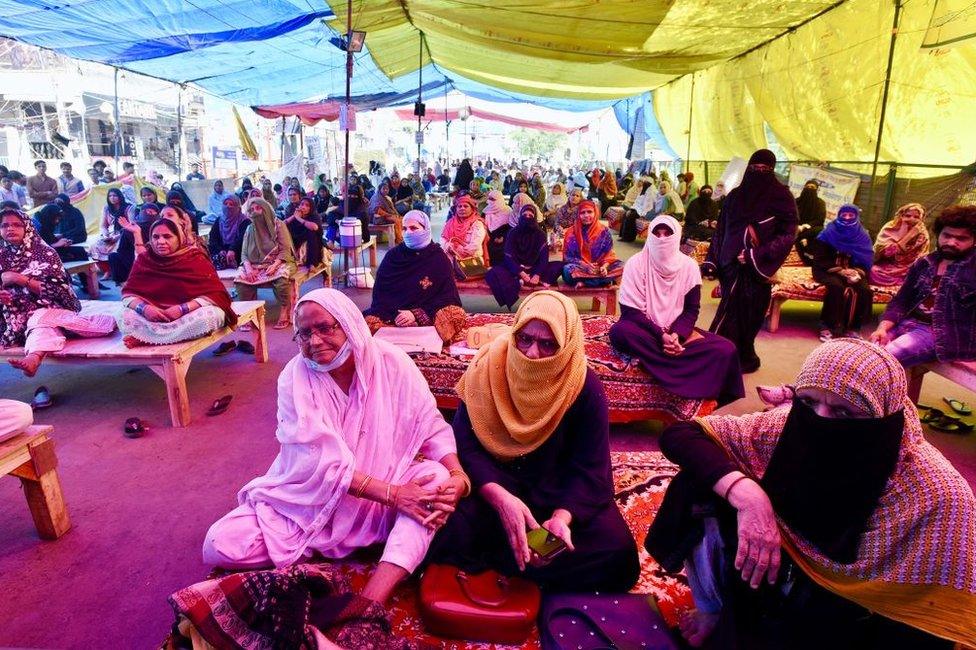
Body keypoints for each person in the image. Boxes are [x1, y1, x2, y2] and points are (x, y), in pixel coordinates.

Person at [645, 339, 976, 649]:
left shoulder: (937, 493)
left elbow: (931, 619)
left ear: (884, 416)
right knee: (701, 483)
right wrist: (749, 497)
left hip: (851, 613)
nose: (820, 420)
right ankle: (713, 609)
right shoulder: (786, 425)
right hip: (776, 571)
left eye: (845, 412)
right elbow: (683, 434)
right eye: (808, 401)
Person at [203, 289, 467, 606]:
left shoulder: (391, 362)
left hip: (384, 488)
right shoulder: (293, 378)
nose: (314, 342)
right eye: (304, 334)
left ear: (349, 324)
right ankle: (340, 543)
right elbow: (319, 464)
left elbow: (430, 424)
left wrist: (457, 475)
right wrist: (396, 496)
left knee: (435, 478)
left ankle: (370, 600)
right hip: (313, 500)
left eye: (326, 328)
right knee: (221, 543)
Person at [429, 291, 641, 592]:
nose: (531, 353)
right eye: (524, 338)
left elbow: (590, 468)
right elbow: (465, 445)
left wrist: (561, 519)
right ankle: (523, 558)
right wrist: (500, 498)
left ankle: (513, 556)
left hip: (556, 496)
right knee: (440, 527)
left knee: (618, 555)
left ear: (566, 345)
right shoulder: (486, 369)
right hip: (495, 492)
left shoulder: (583, 386)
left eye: (547, 344)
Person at [610, 215, 744, 406]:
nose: (662, 239)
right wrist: (660, 336)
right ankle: (682, 371)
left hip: (676, 334)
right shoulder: (636, 263)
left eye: (667, 234)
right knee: (620, 332)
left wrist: (676, 336)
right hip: (646, 331)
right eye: (657, 234)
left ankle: (656, 362)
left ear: (677, 237)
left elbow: (691, 309)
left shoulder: (688, 266)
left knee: (727, 349)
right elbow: (631, 312)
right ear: (649, 236)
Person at [703, 149, 798, 373]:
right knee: (729, 313)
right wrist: (713, 261)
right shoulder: (735, 196)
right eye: (755, 169)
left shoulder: (782, 197)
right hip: (730, 267)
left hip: (757, 269)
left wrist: (756, 254)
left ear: (772, 171)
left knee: (751, 315)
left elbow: (788, 235)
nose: (759, 173)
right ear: (748, 169)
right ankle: (721, 359)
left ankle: (743, 355)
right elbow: (721, 231)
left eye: (765, 170)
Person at [1, 206, 115, 376]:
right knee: (39, 325)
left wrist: (20, 279)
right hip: (11, 319)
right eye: (4, 225)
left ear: (27, 227)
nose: (10, 228)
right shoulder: (1, 255)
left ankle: (34, 357)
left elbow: (59, 292)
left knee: (39, 320)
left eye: (17, 224)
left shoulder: (46, 253)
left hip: (48, 310)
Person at [869, 204, 975, 368]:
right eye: (946, 235)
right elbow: (901, 300)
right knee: (865, 352)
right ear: (939, 234)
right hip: (906, 322)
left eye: (961, 239)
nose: (951, 242)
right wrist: (882, 328)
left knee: (881, 362)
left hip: (941, 334)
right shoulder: (924, 263)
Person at [118, 217, 237, 347]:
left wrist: (182, 309)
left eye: (167, 236)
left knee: (213, 316)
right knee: (124, 315)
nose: (161, 242)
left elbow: (216, 294)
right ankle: (159, 338)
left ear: (179, 238)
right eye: (156, 237)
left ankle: (146, 338)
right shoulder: (144, 259)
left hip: (186, 316)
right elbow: (128, 295)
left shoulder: (195, 258)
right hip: (152, 316)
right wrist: (144, 309)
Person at [363, 210, 466, 342]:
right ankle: (411, 334)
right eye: (405, 229)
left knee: (455, 315)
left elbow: (448, 297)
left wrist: (416, 314)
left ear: (426, 229)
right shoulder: (393, 256)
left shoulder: (438, 258)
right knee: (368, 324)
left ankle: (411, 334)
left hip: (428, 314)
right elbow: (380, 296)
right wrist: (398, 316)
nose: (408, 233)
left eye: (414, 228)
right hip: (393, 315)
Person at [810, 203, 874, 341]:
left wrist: (855, 271)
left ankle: (854, 328)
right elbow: (820, 258)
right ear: (838, 215)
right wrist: (840, 271)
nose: (847, 218)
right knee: (836, 287)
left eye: (851, 215)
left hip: (853, 270)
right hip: (828, 269)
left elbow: (867, 257)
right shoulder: (827, 233)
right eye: (844, 215)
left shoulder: (863, 235)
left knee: (864, 290)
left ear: (857, 216)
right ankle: (826, 326)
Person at [485, 204, 564, 309]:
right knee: (492, 273)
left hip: (534, 267)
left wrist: (537, 274)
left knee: (559, 266)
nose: (527, 217)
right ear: (520, 217)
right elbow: (508, 257)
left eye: (530, 216)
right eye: (524, 215)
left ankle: (521, 279)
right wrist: (520, 272)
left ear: (535, 217)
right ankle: (519, 278)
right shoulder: (513, 233)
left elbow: (544, 258)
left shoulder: (540, 234)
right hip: (516, 267)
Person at [235, 198, 296, 329]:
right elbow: (244, 253)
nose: (255, 212)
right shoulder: (249, 229)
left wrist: (275, 265)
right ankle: (248, 313)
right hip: (255, 264)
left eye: (258, 208)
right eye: (251, 210)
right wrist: (248, 268)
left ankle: (285, 310)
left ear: (266, 209)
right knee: (241, 280)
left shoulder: (278, 225)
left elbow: (285, 250)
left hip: (279, 260)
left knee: (281, 279)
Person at [562, 199, 623, 287]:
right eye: (583, 213)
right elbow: (568, 257)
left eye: (589, 212)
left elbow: (609, 254)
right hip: (580, 268)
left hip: (600, 267)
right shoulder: (571, 233)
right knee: (567, 270)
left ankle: (585, 283)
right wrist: (586, 266)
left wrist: (604, 267)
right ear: (578, 215)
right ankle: (601, 281)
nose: (586, 215)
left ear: (595, 213)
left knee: (623, 266)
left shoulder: (604, 231)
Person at [871, 203, 929, 286]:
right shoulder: (890, 227)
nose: (911, 219)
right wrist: (908, 236)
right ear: (901, 216)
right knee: (873, 271)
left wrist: (904, 270)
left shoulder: (923, 235)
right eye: (907, 216)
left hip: (907, 269)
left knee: (919, 277)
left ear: (922, 219)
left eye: (916, 217)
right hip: (888, 265)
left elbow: (920, 259)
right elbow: (885, 253)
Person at [440, 195, 488, 277]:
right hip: (452, 256)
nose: (462, 208)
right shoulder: (450, 222)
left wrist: (456, 249)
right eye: (459, 206)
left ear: (472, 208)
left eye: (466, 206)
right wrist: (448, 246)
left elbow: (475, 245)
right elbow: (443, 239)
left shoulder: (477, 223)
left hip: (471, 259)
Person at [90, 188, 135, 274]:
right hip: (110, 234)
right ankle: (107, 271)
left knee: (117, 247)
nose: (112, 198)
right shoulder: (106, 208)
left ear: (120, 196)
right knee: (94, 246)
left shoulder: (128, 208)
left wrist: (117, 237)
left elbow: (132, 225)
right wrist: (105, 235)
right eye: (110, 196)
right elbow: (103, 225)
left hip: (124, 234)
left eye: (115, 195)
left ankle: (118, 270)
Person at [208, 195, 249, 271]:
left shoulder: (244, 221)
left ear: (238, 207)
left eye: (232, 204)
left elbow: (243, 238)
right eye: (226, 204)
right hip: (222, 251)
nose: (228, 206)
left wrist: (232, 249)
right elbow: (213, 238)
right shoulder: (219, 220)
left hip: (238, 251)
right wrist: (220, 250)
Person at [284, 197, 324, 268]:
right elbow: (282, 225)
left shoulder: (314, 216)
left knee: (311, 232)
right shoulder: (296, 215)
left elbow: (314, 227)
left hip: (313, 243)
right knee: (287, 230)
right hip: (297, 241)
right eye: (302, 204)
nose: (304, 207)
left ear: (311, 208)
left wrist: (299, 219)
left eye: (307, 205)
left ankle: (312, 264)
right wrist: (294, 216)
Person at [483, 189, 513, 266]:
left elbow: (512, 227)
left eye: (493, 199)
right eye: (489, 199)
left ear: (499, 200)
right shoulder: (486, 211)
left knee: (503, 251)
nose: (490, 201)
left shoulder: (508, 211)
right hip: (488, 237)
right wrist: (488, 237)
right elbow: (482, 226)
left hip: (505, 238)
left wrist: (503, 237)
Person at [368, 180, 403, 245]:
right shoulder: (376, 197)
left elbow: (391, 208)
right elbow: (377, 210)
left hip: (384, 216)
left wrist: (394, 214)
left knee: (401, 219)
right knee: (396, 220)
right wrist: (390, 215)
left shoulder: (385, 198)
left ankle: (398, 238)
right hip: (377, 218)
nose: (386, 190)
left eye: (387, 189)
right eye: (384, 189)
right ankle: (399, 240)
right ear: (379, 189)